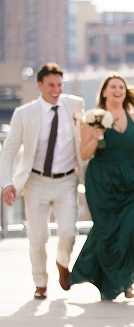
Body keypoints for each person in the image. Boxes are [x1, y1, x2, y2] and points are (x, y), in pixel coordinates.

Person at [1, 63, 85, 300]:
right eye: (51, 85)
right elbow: (8, 151)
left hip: (67, 180)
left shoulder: (76, 105)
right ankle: (40, 282)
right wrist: (7, 183)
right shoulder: (24, 113)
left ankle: (62, 262)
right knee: (38, 237)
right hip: (35, 181)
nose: (56, 90)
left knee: (69, 232)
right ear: (40, 85)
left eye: (60, 85)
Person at [70, 73, 134, 300]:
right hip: (103, 181)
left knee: (131, 229)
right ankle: (116, 281)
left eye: (121, 87)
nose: (117, 90)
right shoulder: (92, 117)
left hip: (131, 179)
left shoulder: (133, 117)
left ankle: (125, 279)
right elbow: (84, 154)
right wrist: (96, 136)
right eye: (113, 86)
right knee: (108, 231)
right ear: (104, 91)